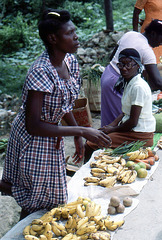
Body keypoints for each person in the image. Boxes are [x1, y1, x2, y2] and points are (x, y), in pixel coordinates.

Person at [0, 8, 111, 220]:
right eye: (70, 33)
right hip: (33, 141)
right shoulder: (41, 71)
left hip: (52, 136)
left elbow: (63, 104)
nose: (76, 36)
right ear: (52, 38)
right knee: (35, 199)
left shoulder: (69, 62)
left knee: (50, 195)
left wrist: (78, 134)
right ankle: (26, 230)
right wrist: (82, 130)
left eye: (75, 31)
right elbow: (34, 125)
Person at [84, 48, 156, 161]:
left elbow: (133, 122)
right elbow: (124, 112)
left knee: (91, 143)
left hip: (140, 135)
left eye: (128, 65)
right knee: (97, 134)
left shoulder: (138, 87)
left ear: (137, 65)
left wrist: (112, 130)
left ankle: (83, 173)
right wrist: (111, 125)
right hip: (132, 131)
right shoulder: (129, 82)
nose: (124, 68)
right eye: (121, 65)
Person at [101, 19, 162, 128]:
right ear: (153, 34)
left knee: (109, 120)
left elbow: (112, 56)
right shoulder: (147, 51)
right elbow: (157, 81)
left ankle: (104, 142)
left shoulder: (131, 34)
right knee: (119, 124)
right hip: (117, 83)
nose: (161, 43)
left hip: (108, 74)